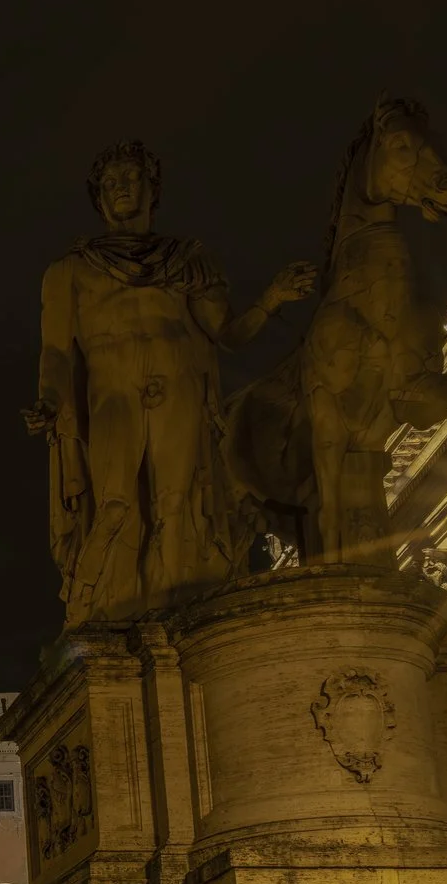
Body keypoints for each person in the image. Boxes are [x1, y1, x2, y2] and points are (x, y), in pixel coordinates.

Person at [27, 141, 316, 624]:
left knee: (177, 503)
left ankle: (178, 616)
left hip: (177, 386)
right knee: (114, 502)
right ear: (99, 198)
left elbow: (226, 333)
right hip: (112, 395)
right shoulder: (69, 271)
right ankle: (91, 607)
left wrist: (271, 299)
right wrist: (50, 401)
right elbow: (56, 352)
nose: (121, 188)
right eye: (111, 183)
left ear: (151, 188)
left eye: (131, 178)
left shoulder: (187, 261)